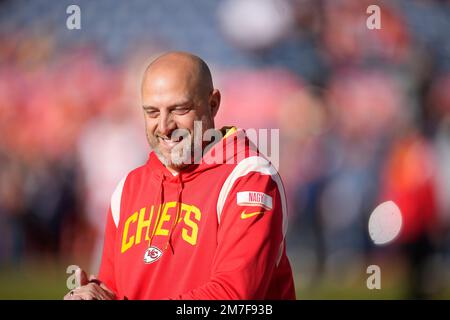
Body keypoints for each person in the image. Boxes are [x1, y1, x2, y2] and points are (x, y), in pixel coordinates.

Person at [64, 51, 296, 300]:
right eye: (152, 112)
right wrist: (94, 296)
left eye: (179, 109)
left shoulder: (248, 178)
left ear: (213, 103)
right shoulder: (128, 188)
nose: (164, 126)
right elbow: (116, 289)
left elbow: (234, 296)